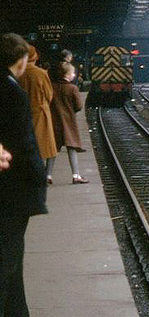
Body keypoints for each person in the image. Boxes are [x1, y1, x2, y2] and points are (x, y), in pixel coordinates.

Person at [0, 33, 48, 316]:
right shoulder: (11, 91)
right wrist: (38, 180)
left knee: (12, 263)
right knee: (7, 260)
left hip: (10, 189)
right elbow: (24, 142)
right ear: (21, 60)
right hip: (13, 190)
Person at [17, 46, 57, 185]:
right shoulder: (41, 73)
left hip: (22, 113)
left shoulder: (16, 73)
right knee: (46, 146)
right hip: (40, 113)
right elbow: (49, 95)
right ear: (35, 57)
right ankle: (45, 175)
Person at [49, 62, 89, 184]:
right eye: (72, 73)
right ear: (67, 75)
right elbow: (79, 106)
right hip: (68, 122)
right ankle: (76, 175)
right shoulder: (72, 88)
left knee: (53, 149)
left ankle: (48, 175)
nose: (74, 75)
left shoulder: (52, 87)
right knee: (71, 148)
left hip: (54, 121)